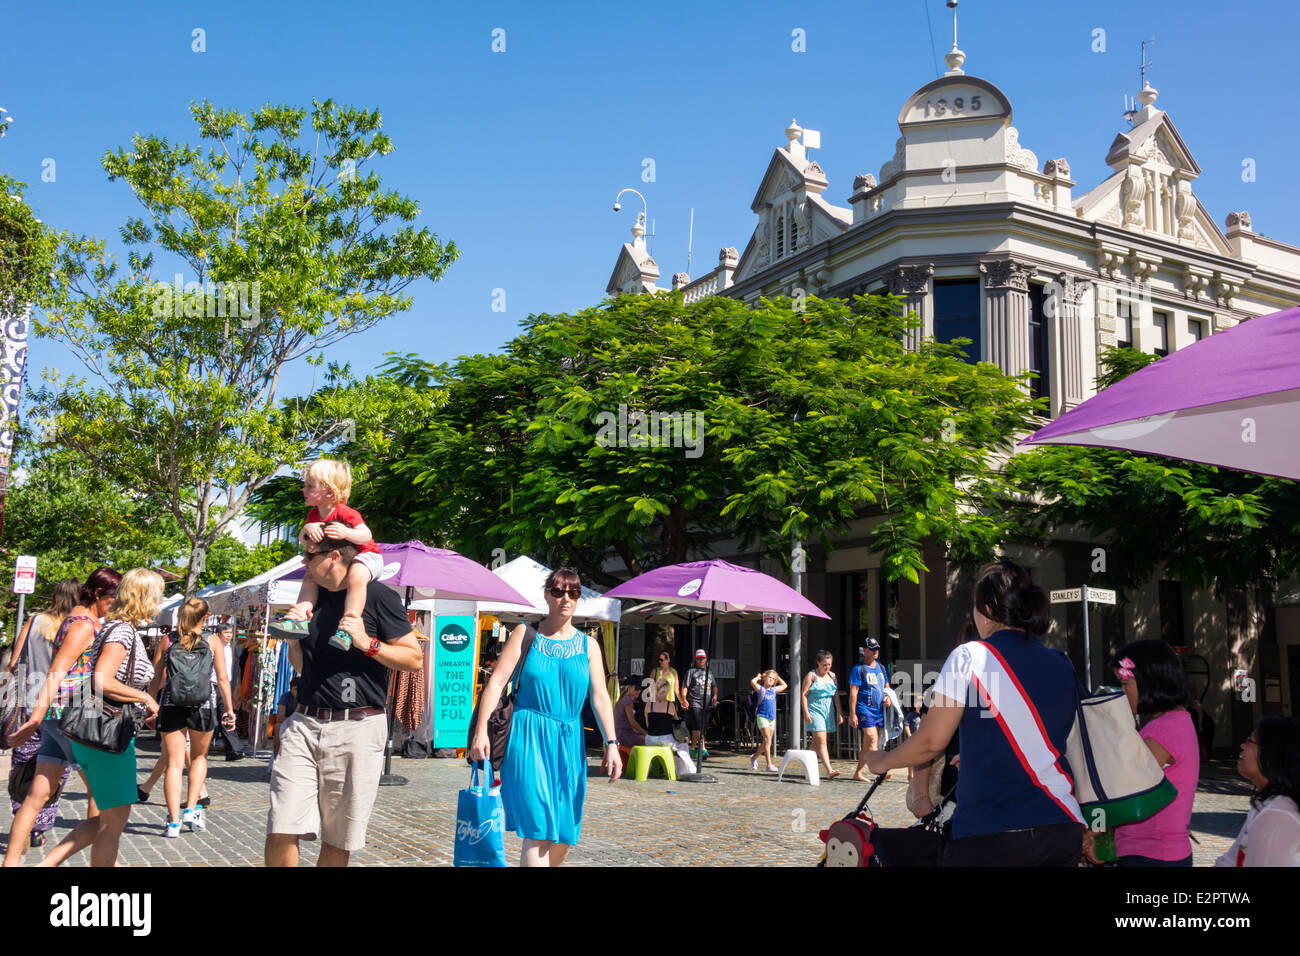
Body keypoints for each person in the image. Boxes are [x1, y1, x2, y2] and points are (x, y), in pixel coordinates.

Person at [866, 559, 1085, 867]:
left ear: (987, 609)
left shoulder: (971, 656)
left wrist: (881, 761)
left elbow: (931, 741)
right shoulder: (1061, 662)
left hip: (991, 831)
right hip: (1061, 827)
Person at [265, 541, 423, 867]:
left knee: (338, 838)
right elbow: (302, 665)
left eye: (310, 555)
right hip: (304, 723)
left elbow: (413, 658)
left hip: (358, 727)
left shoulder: (378, 597)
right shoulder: (309, 599)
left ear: (334, 556)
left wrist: (368, 643)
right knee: (281, 825)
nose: (304, 561)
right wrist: (293, 634)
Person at [469, 567, 622, 867]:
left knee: (564, 836)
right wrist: (481, 732)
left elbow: (600, 696)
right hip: (528, 739)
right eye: (559, 591)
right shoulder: (526, 634)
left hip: (569, 743)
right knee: (538, 830)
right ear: (546, 595)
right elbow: (496, 683)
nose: (566, 598)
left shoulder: (589, 646)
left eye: (573, 592)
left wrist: (612, 742)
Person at [41, 569, 163, 867]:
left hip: (98, 730)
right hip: (108, 734)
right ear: (144, 597)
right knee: (112, 822)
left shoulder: (112, 627)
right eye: (157, 594)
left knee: (108, 818)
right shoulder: (122, 631)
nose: (159, 601)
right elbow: (102, 679)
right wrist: (144, 697)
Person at [4, 568, 121, 867]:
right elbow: (56, 671)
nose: (115, 604)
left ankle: (11, 863)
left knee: (38, 794)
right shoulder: (83, 624)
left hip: (59, 717)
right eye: (112, 599)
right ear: (98, 594)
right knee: (107, 799)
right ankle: (102, 858)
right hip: (73, 715)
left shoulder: (77, 618)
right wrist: (35, 718)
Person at [1101, 640, 1199, 867]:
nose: (1122, 692)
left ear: (1149, 682)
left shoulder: (1163, 729)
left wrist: (1092, 832)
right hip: (1158, 850)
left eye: (1126, 684)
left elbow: (1125, 786)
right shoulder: (1175, 721)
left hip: (1151, 853)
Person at [272, 460, 384, 648]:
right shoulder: (313, 516)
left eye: (309, 486)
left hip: (367, 556)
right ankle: (299, 617)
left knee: (356, 577)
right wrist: (307, 528)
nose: (303, 489)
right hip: (343, 560)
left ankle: (348, 627)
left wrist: (346, 533)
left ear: (329, 492)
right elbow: (303, 540)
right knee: (309, 577)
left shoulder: (345, 512)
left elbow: (366, 536)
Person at [4, 579, 81, 853]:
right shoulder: (76, 627)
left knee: (23, 762)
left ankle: (21, 820)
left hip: (28, 701)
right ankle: (38, 830)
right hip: (61, 706)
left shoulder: (34, 620)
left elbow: (13, 663)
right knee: (54, 771)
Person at [150, 596, 236, 838]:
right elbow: (221, 679)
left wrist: (150, 704)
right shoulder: (213, 640)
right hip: (204, 704)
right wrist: (228, 708)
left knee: (174, 764)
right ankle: (190, 810)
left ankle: (173, 823)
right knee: (199, 757)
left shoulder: (168, 640)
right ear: (206, 616)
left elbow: (157, 677)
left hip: (171, 703)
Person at [1215, 716, 1300, 867]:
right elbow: (1230, 860)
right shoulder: (1265, 803)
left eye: (1250, 740)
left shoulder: (1278, 813)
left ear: (1272, 754)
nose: (1242, 745)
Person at [849, 637, 889, 781]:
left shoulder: (881, 667)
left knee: (868, 744)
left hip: (878, 710)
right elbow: (853, 692)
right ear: (865, 651)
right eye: (872, 649)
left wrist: (888, 698)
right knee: (872, 738)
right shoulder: (858, 669)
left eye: (876, 649)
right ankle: (880, 770)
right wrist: (852, 714)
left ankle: (858, 773)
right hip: (864, 709)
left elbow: (886, 687)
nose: (875, 652)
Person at [802, 651, 843, 780]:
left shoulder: (832, 676)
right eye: (824, 664)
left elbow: (835, 695)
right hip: (815, 709)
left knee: (815, 743)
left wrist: (839, 712)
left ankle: (806, 766)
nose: (827, 667)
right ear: (818, 663)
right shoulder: (811, 675)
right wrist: (806, 712)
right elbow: (803, 694)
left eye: (829, 664)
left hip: (828, 710)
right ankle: (829, 769)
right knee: (821, 741)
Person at [212, 623, 244, 760]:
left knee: (226, 716)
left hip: (225, 685)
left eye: (230, 633)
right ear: (219, 634)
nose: (229, 635)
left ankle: (233, 749)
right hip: (213, 684)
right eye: (226, 633)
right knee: (212, 716)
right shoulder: (213, 647)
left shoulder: (229, 648)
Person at [749, 669, 787, 772]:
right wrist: (758, 677)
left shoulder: (773, 690)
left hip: (771, 717)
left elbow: (784, 685)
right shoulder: (761, 689)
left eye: (773, 679)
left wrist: (777, 678)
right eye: (769, 677)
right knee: (767, 740)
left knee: (767, 741)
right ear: (765, 678)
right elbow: (753, 682)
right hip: (762, 716)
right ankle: (769, 765)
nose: (771, 680)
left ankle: (753, 758)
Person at [683, 649, 718, 758]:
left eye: (702, 658)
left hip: (706, 703)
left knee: (699, 726)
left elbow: (714, 686)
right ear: (695, 659)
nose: (700, 660)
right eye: (698, 658)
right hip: (694, 701)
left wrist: (715, 695)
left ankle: (693, 747)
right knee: (698, 724)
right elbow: (685, 686)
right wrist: (684, 699)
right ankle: (703, 748)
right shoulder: (691, 671)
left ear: (706, 659)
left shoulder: (709, 672)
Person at [643, 649, 682, 740]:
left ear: (668, 660)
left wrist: (682, 701)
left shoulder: (673, 672)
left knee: (671, 725)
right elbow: (650, 688)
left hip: (670, 702)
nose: (660, 662)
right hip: (658, 702)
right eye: (659, 660)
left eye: (662, 659)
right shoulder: (655, 671)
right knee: (657, 724)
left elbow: (676, 690)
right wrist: (653, 701)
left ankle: (670, 742)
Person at [613, 678, 647, 763]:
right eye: (637, 689)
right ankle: (642, 765)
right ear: (629, 687)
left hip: (619, 733)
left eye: (640, 689)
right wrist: (645, 733)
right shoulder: (628, 701)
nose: (639, 691)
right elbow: (633, 723)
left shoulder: (623, 698)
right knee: (648, 740)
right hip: (622, 735)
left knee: (643, 736)